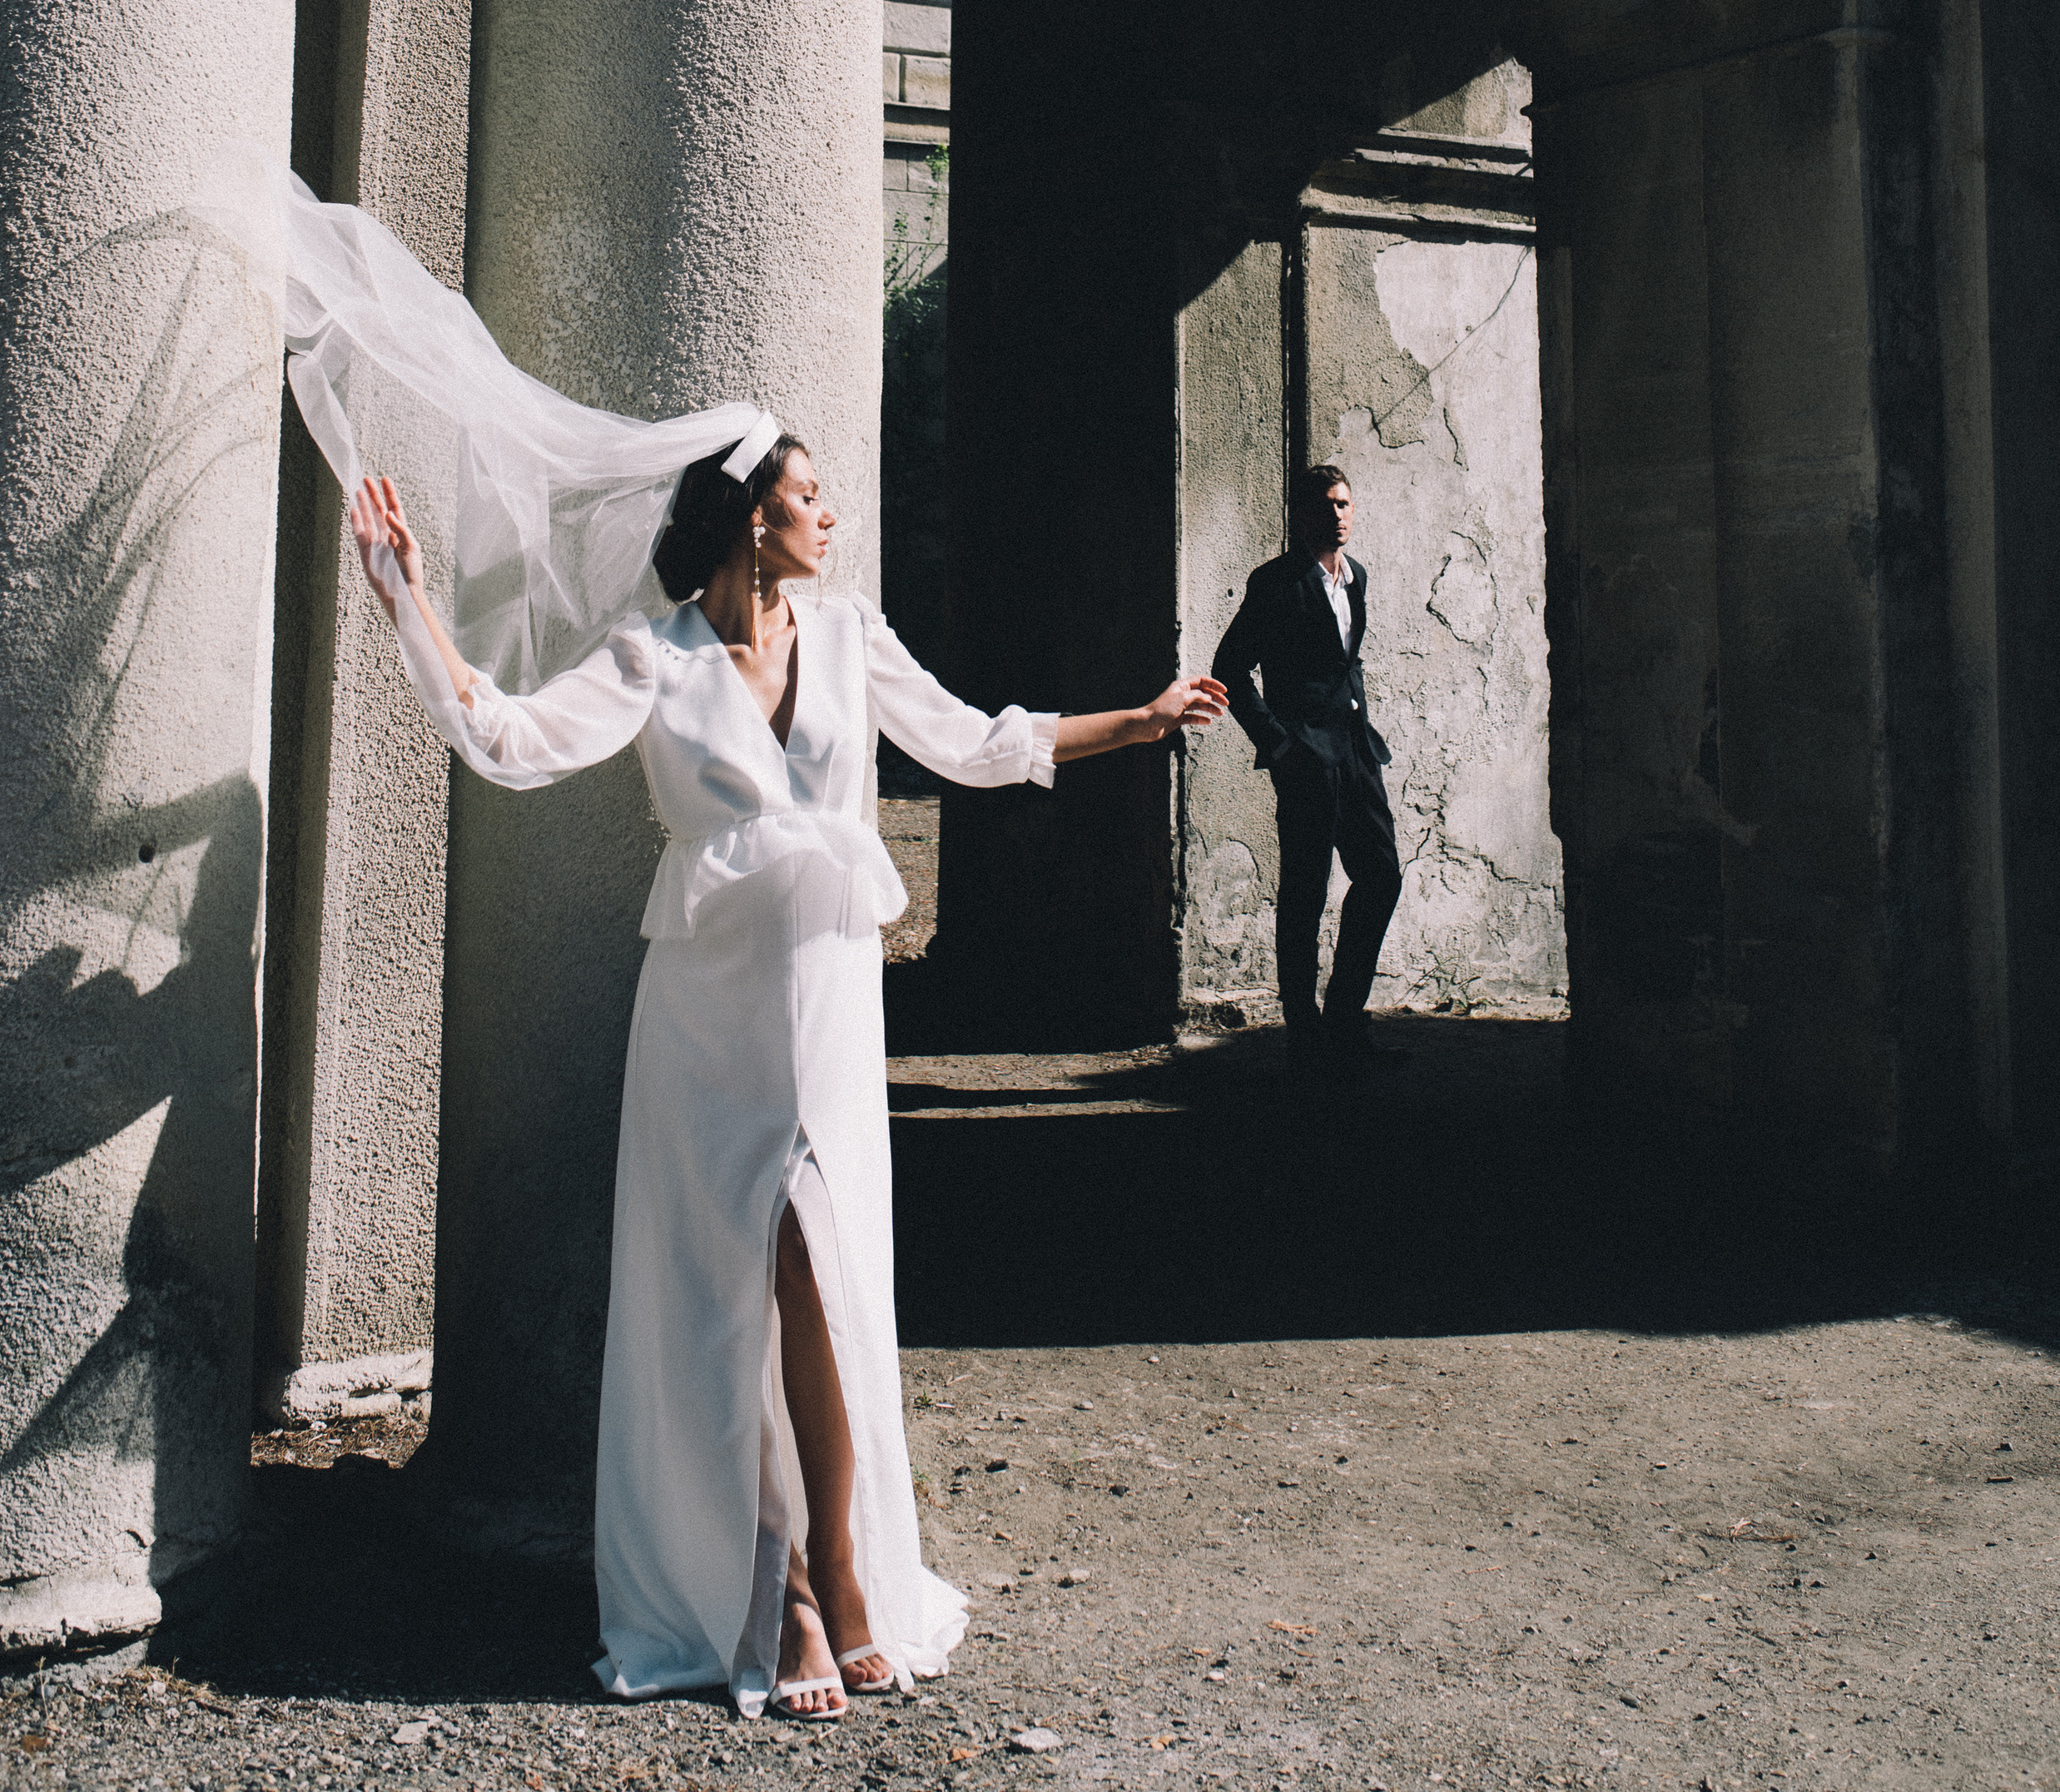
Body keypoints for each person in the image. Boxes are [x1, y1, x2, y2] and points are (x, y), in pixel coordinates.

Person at [343, 430, 1225, 1721]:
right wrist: (403, 593)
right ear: (751, 516)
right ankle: (791, 1588)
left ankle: (848, 1567)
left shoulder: (850, 629)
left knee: (820, 1273)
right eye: (808, 495)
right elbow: (510, 737)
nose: (830, 513)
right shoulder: (656, 655)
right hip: (706, 1021)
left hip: (823, 1004)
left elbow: (975, 742)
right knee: (729, 1296)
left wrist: (1135, 722)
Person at [1211, 462, 1402, 1074]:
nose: (1338, 515)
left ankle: (1344, 1018)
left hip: (1355, 751)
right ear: (1302, 515)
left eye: (1345, 504)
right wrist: (1279, 743)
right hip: (1305, 759)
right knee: (1305, 892)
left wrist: (1357, 723)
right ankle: (1305, 1032)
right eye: (1325, 505)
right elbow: (1229, 669)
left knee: (1381, 876)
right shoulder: (1275, 583)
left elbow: (1347, 663)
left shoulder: (1357, 578)